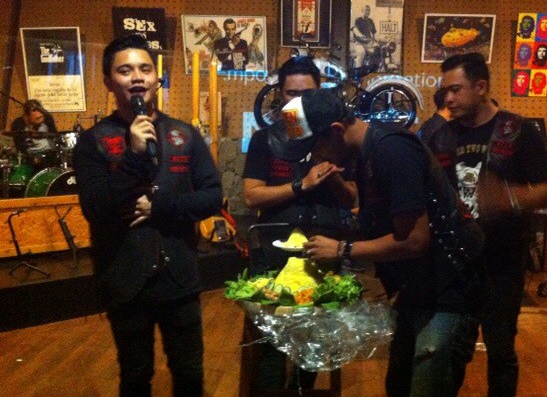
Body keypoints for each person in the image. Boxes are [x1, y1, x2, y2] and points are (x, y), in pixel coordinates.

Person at [277, 88, 485, 397]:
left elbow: (414, 240)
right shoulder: (368, 153)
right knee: (398, 386)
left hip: (449, 288)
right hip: (420, 288)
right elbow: (382, 220)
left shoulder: (391, 150)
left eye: (317, 147)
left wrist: (341, 249)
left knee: (427, 387)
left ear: (336, 130)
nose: (317, 157)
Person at [73, 34, 222, 397]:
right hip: (125, 281)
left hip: (179, 279)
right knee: (136, 377)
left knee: (190, 374)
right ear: (109, 82)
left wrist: (161, 206)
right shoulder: (93, 141)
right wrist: (133, 155)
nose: (137, 77)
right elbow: (95, 208)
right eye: (124, 70)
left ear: (157, 78)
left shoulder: (184, 134)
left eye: (145, 68)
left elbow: (213, 197)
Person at [428, 53, 547, 397]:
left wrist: (507, 198)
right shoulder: (440, 135)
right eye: (444, 91)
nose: (448, 98)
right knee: (451, 349)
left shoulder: (518, 130)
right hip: (456, 261)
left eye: (455, 89)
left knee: (500, 349)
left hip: (503, 262)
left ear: (481, 87)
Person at [242, 56, 357, 391]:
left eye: (307, 94)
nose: (298, 102)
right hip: (274, 252)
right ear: (279, 94)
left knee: (315, 341)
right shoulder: (265, 140)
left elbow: (352, 199)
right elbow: (251, 196)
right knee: (271, 345)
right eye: (291, 93)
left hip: (323, 250)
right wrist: (300, 185)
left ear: (319, 92)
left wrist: (331, 175)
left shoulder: (335, 137)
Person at [351, 5, 377, 77]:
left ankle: (373, 71)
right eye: (366, 10)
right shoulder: (357, 20)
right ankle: (357, 74)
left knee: (377, 52)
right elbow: (355, 29)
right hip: (359, 43)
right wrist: (360, 35)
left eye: (369, 10)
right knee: (361, 53)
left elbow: (373, 33)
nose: (368, 12)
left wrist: (373, 42)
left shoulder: (370, 21)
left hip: (368, 44)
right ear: (362, 11)